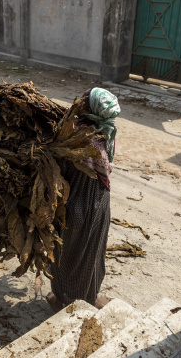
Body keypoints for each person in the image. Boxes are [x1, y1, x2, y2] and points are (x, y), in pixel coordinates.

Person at [47, 87, 120, 312]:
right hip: (98, 205)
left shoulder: (77, 137)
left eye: (83, 101)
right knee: (90, 255)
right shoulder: (106, 133)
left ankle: (63, 298)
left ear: (88, 110)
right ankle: (86, 297)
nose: (77, 102)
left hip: (75, 206)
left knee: (66, 256)